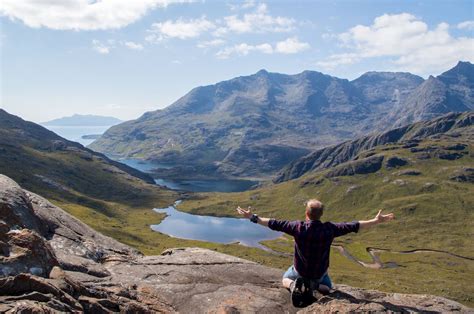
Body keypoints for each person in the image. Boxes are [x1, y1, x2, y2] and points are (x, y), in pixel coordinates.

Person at [236, 199, 395, 306]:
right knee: (327, 286)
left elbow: (273, 223)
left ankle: (293, 286)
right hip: (319, 273)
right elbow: (354, 226)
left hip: (299, 271)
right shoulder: (330, 229)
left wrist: (252, 217)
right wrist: (376, 221)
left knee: (285, 277)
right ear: (321, 214)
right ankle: (316, 286)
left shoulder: (297, 227)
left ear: (306, 214)